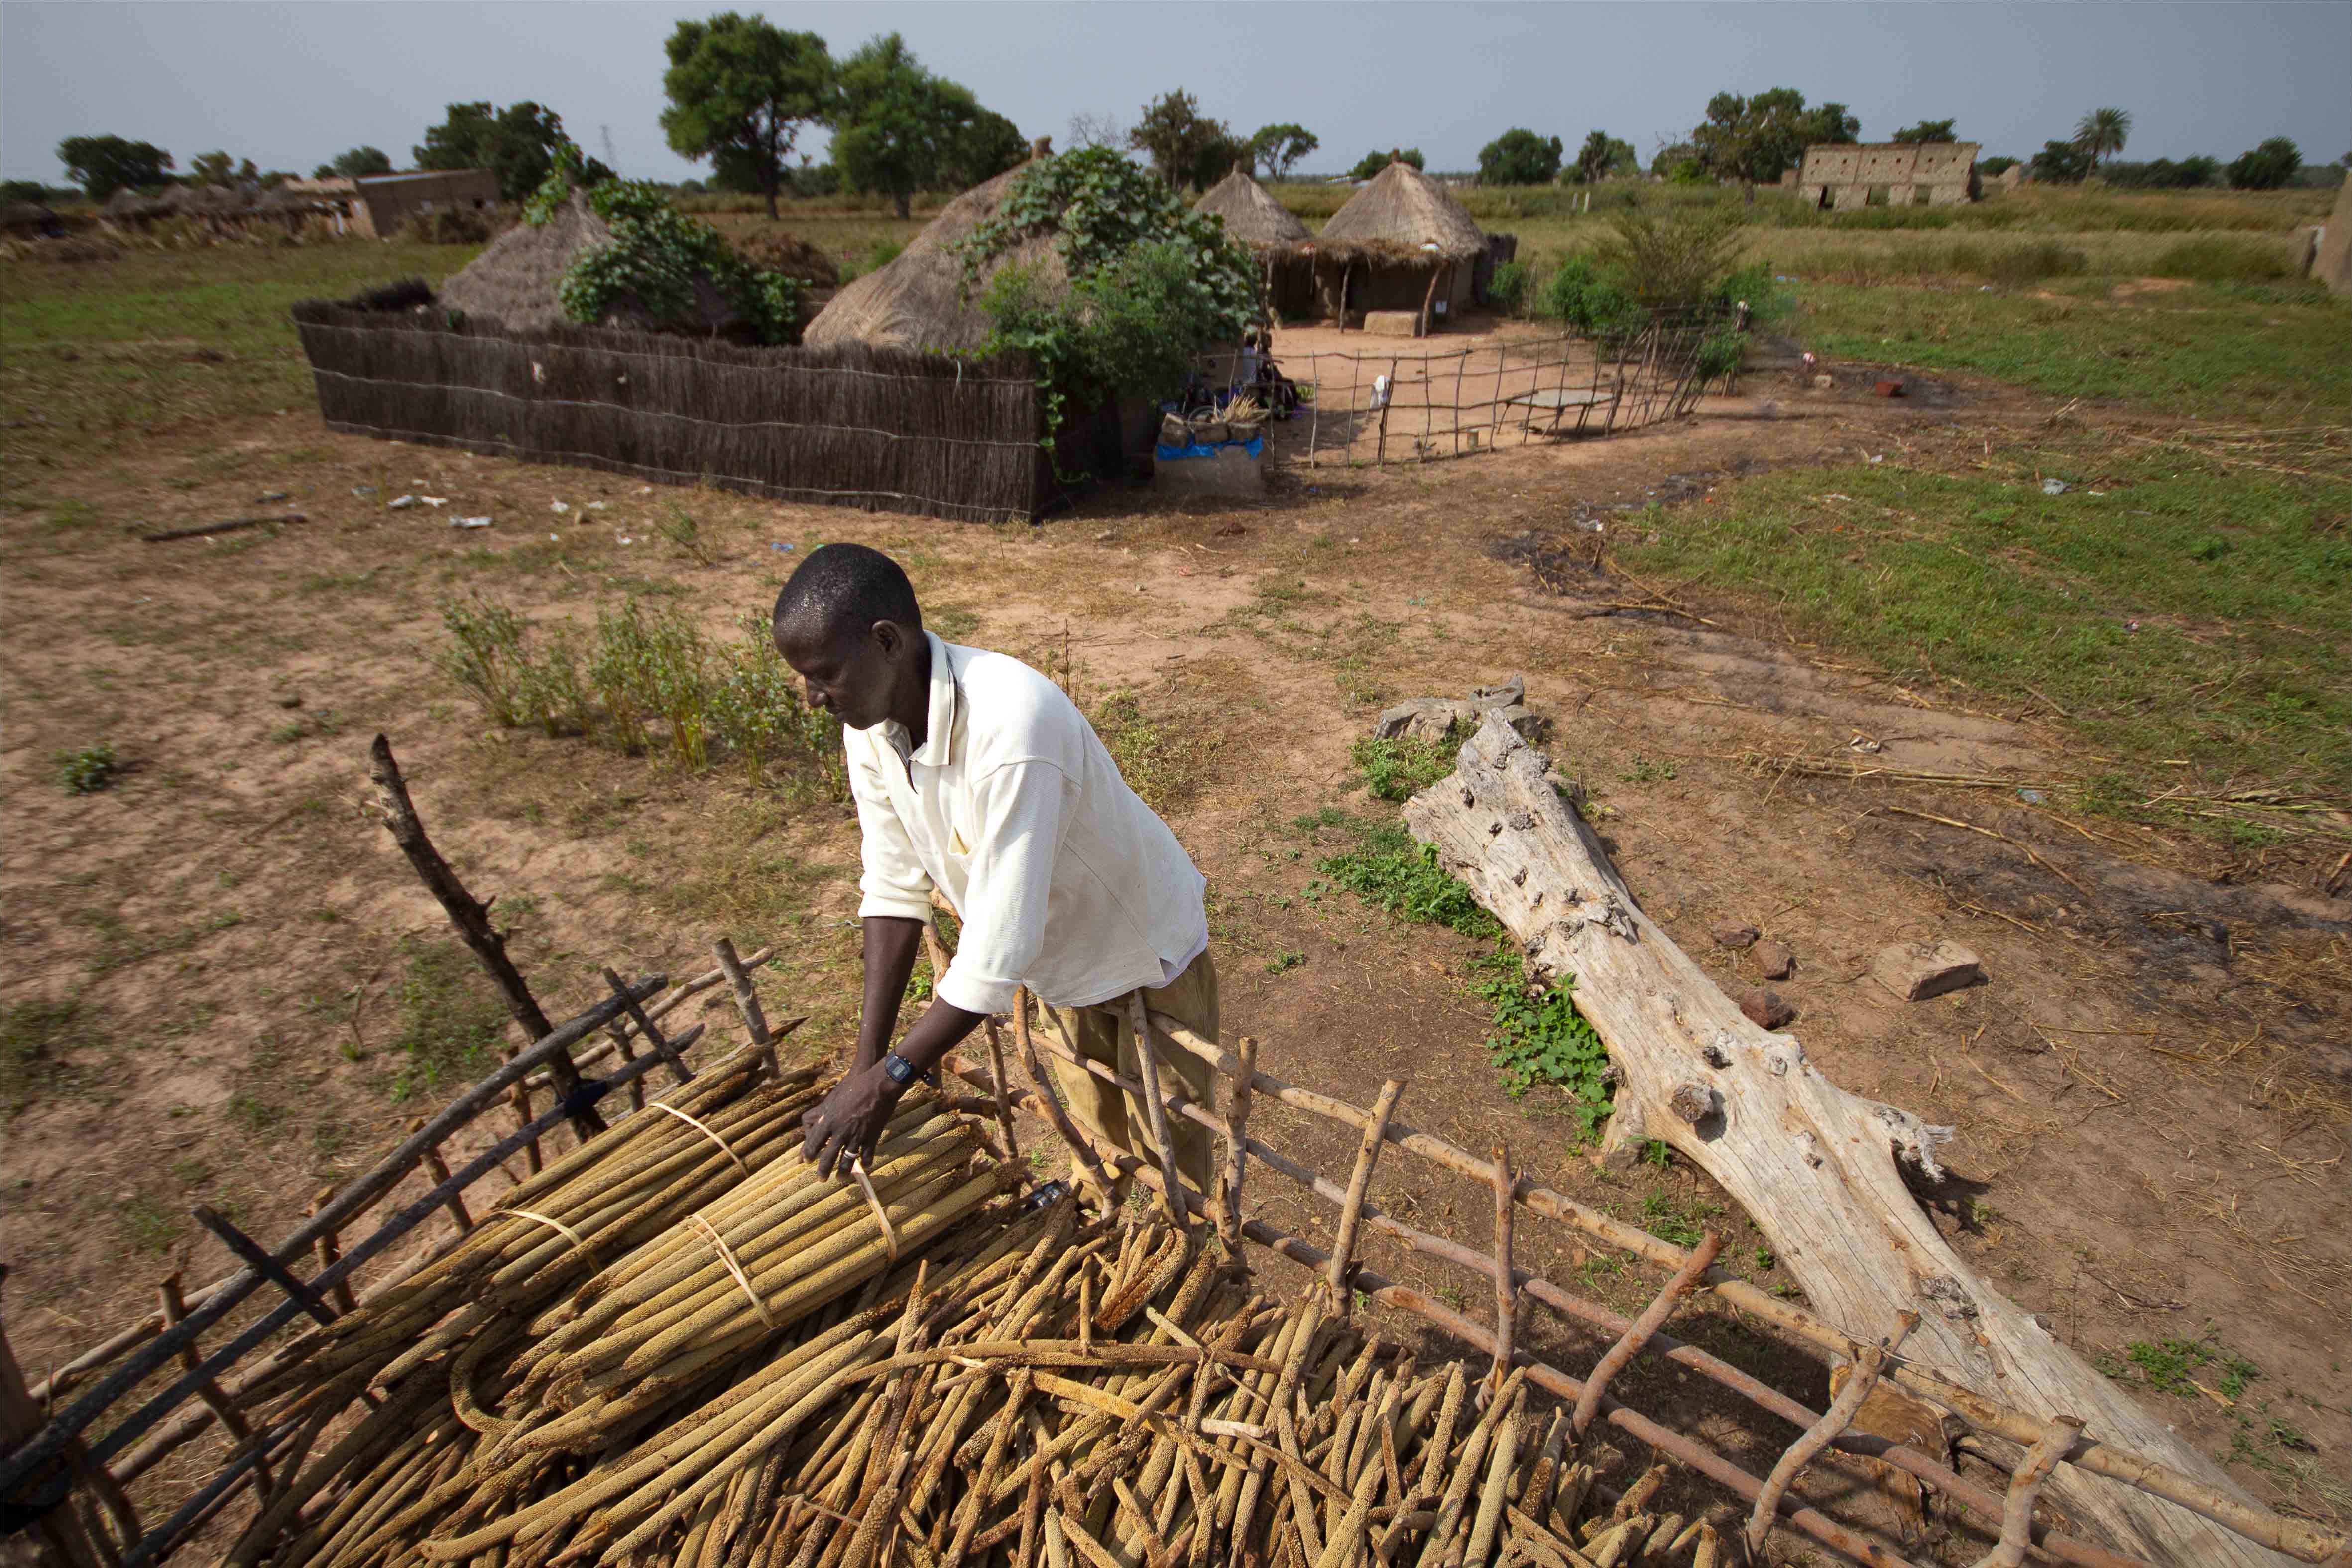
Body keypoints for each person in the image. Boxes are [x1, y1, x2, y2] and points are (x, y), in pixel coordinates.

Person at [771, 543, 1218, 1201]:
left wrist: (892, 1076)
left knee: (1171, 1162)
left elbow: (998, 949)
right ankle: (1114, 1244)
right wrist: (864, 1067)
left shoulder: (1011, 727)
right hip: (1062, 963)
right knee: (1101, 1145)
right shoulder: (869, 726)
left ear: (886, 642)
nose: (811, 697)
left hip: (1144, 952)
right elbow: (894, 890)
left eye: (823, 674)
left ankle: (1189, 1277)